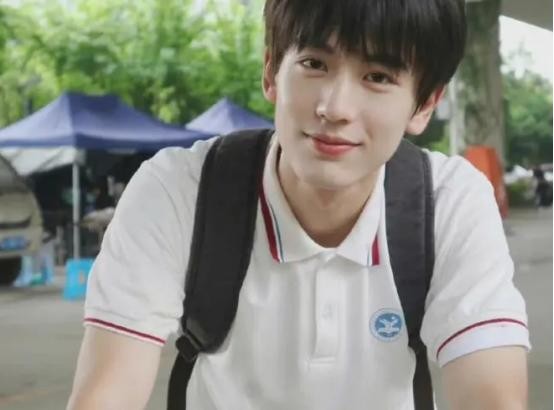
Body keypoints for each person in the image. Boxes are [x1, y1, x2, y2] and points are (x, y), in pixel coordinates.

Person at [67, 1, 530, 409]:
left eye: (378, 77)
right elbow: (107, 393)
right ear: (271, 71)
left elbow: (490, 395)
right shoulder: (178, 190)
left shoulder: (447, 203)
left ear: (425, 104)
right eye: (314, 63)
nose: (335, 107)